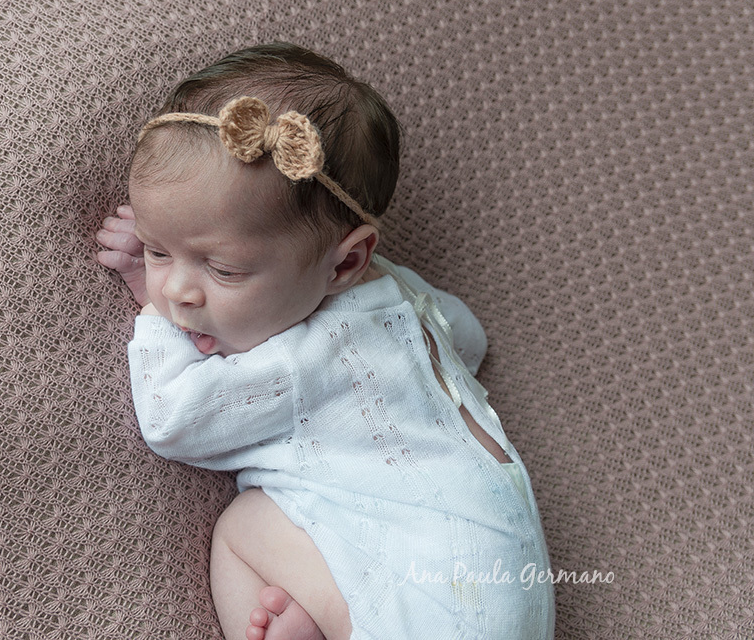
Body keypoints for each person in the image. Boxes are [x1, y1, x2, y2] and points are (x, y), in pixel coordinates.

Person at [96, 43, 554, 640]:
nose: (177, 290)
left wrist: (150, 311)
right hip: (510, 581)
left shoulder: (294, 366)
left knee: (242, 528)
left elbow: (173, 419)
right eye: (158, 252)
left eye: (224, 271)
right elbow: (469, 337)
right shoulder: (399, 292)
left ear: (343, 265)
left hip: (429, 605)